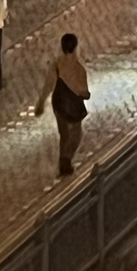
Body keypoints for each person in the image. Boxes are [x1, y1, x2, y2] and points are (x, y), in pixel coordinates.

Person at [35, 32, 90, 178]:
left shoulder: (57, 64)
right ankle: (66, 159)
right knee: (76, 135)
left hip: (59, 102)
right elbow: (83, 90)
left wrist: (40, 102)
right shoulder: (79, 68)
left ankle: (62, 163)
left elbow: (48, 85)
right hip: (73, 105)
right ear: (76, 47)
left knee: (64, 134)